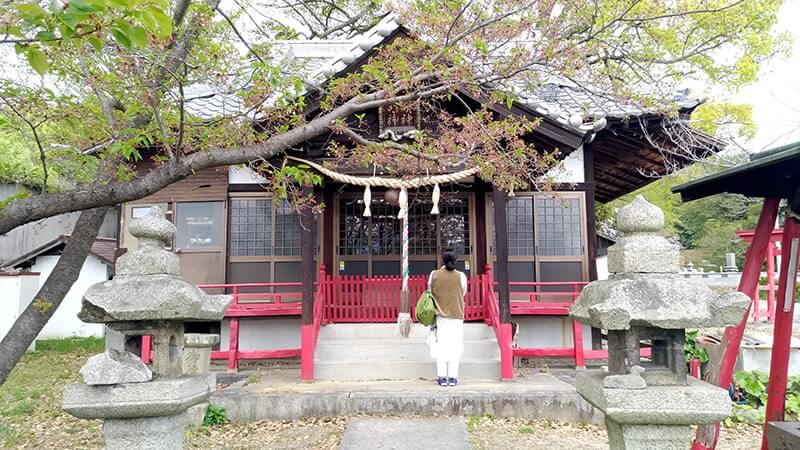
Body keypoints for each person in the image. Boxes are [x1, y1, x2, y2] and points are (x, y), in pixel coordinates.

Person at [427, 249, 467, 387]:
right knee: (455, 346)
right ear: (456, 261)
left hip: (440, 317)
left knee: (440, 347)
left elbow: (429, 291)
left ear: (442, 260)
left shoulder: (434, 275)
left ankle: (442, 377)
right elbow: (463, 292)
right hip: (456, 316)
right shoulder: (461, 276)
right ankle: (453, 377)